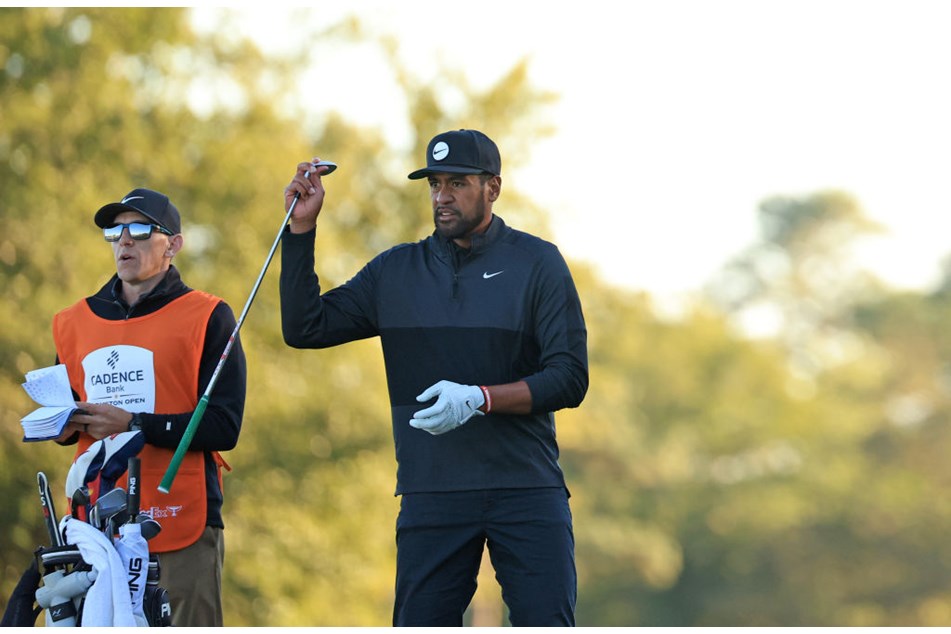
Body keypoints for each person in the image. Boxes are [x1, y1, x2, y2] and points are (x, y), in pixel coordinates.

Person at [280, 129, 588, 626]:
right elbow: (304, 328)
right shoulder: (395, 271)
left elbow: (570, 377)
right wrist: (300, 231)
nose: (442, 197)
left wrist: (480, 398)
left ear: (493, 187)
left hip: (525, 488)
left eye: (458, 184)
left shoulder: (537, 263)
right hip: (432, 491)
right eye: (434, 184)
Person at [52, 188, 247, 627]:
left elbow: (224, 426)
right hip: (95, 521)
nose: (125, 240)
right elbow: (62, 415)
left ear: (173, 245)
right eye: (116, 231)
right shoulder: (72, 321)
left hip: (179, 516)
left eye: (140, 230)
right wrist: (61, 424)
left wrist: (135, 424)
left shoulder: (209, 315)